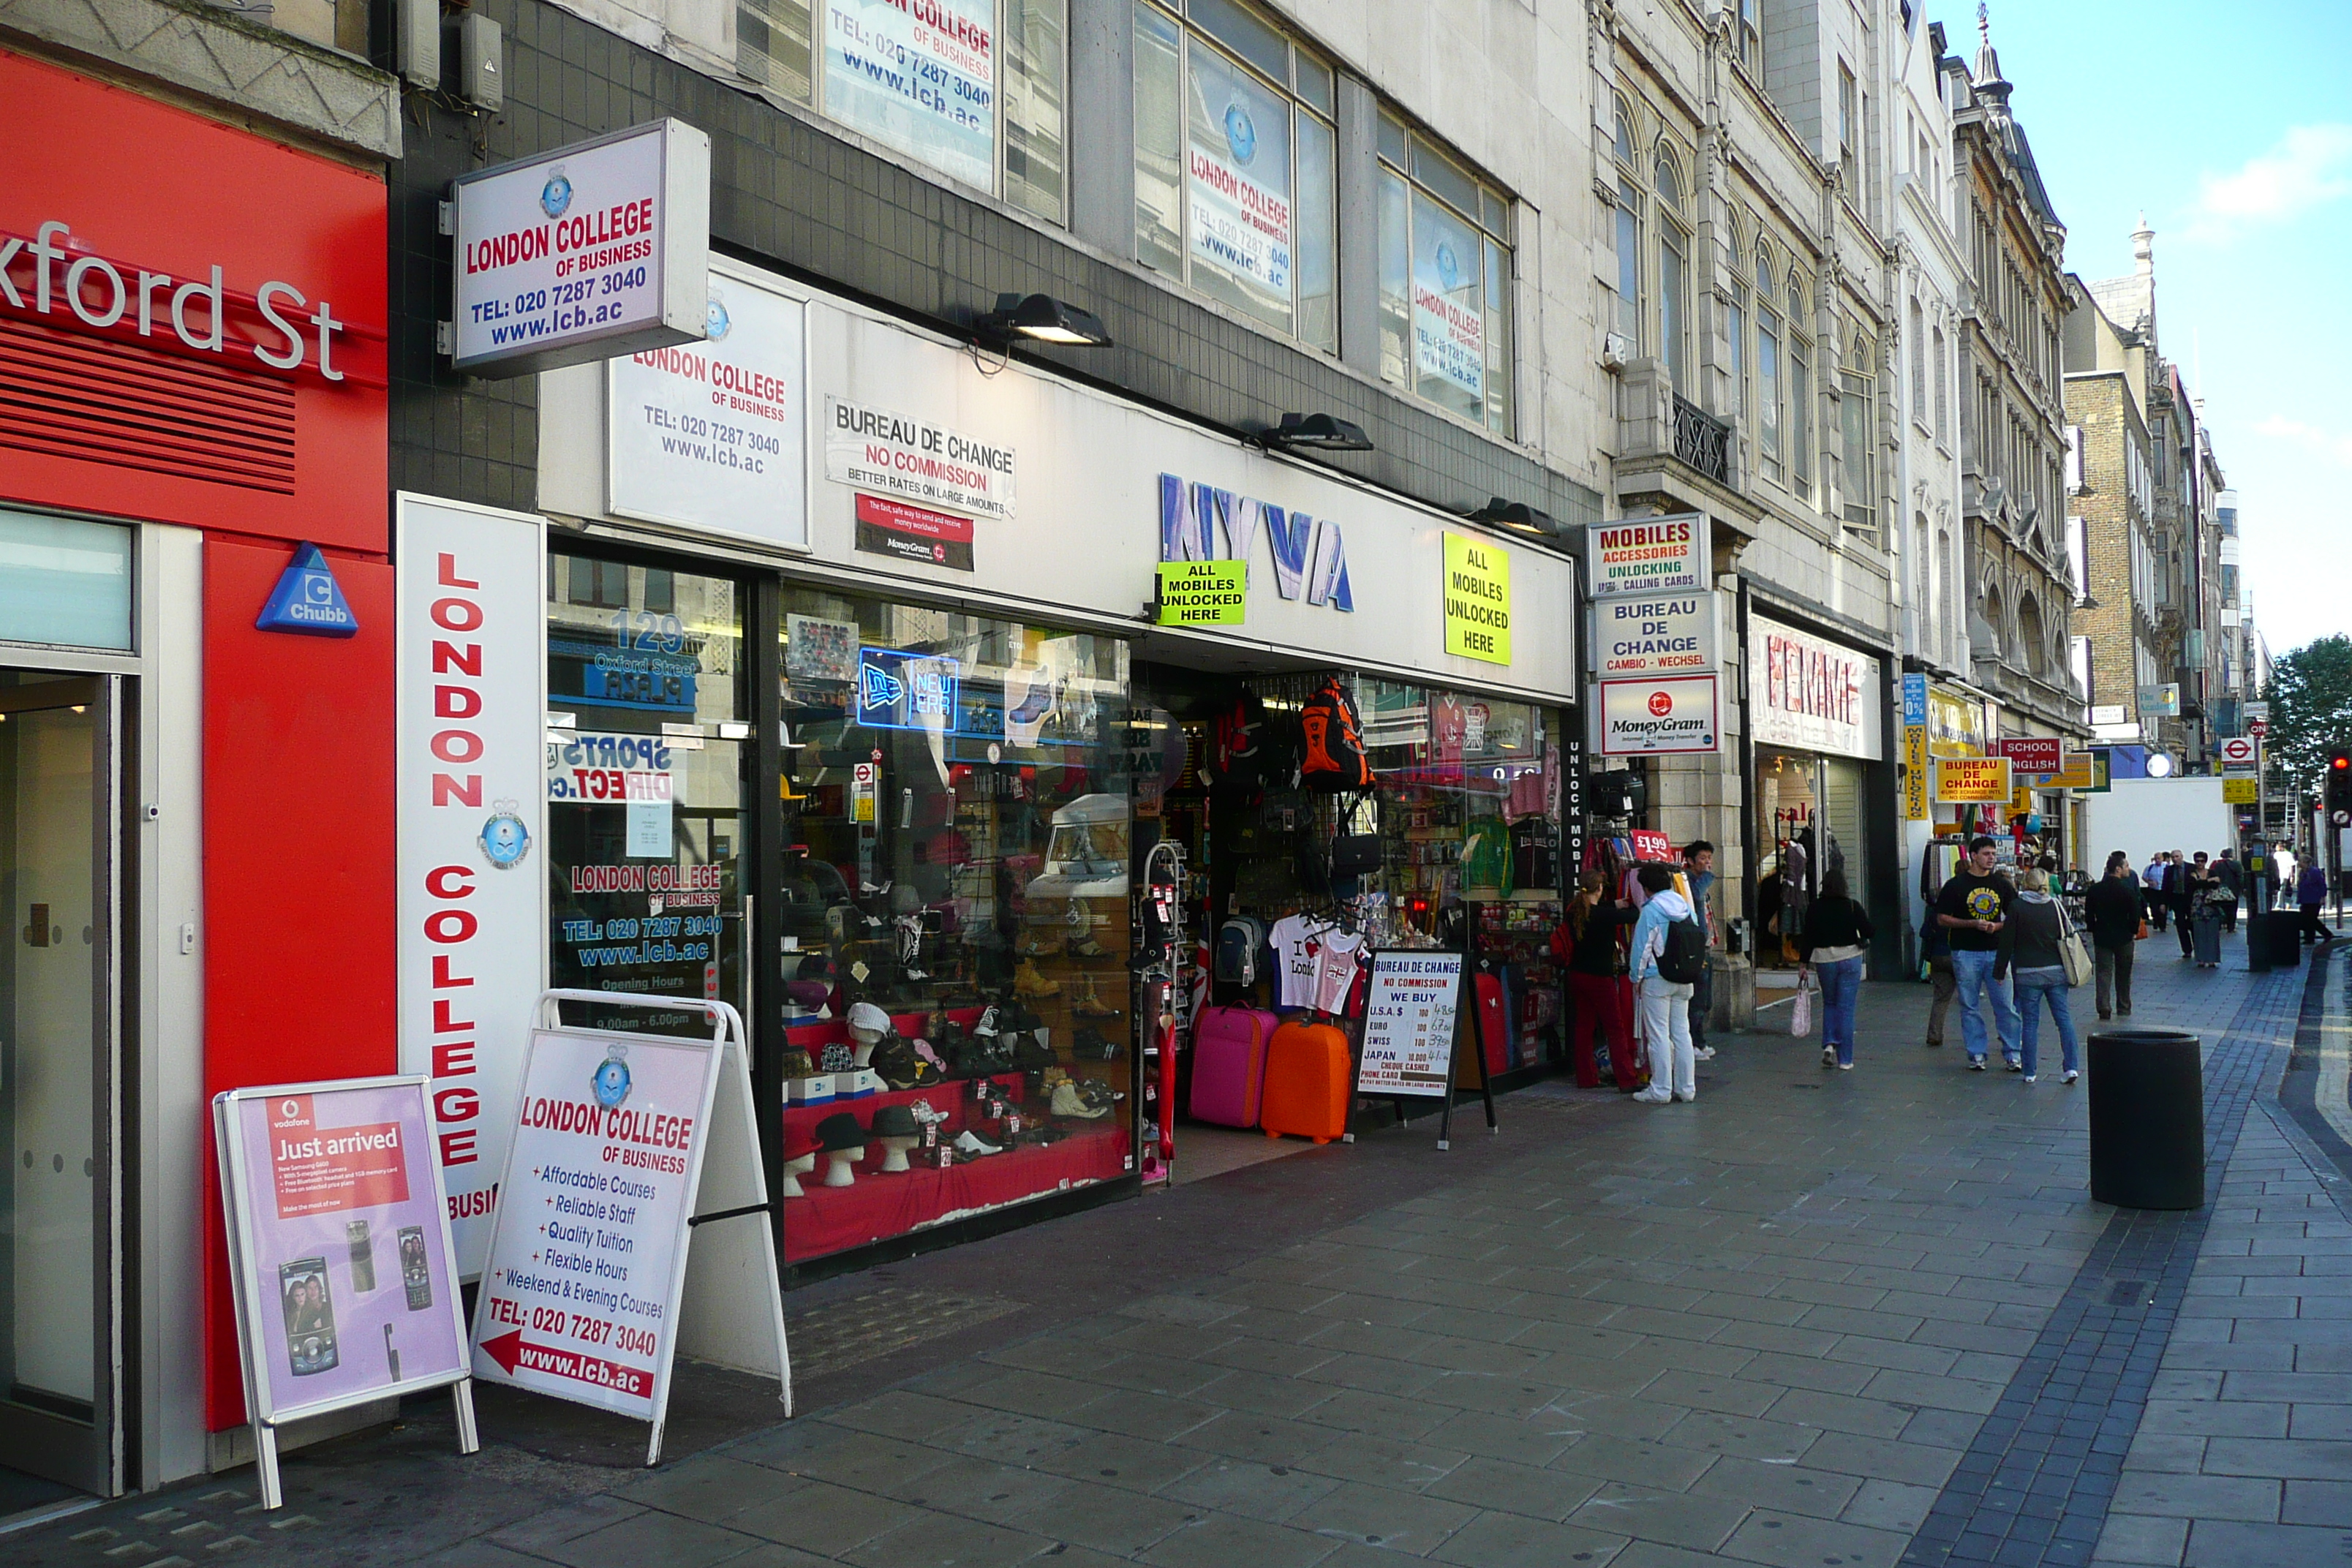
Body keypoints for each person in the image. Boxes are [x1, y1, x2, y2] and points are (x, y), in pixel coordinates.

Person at [1934, 835, 2022, 1072]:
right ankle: (1977, 1053)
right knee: (1969, 1005)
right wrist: (1971, 923)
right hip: (1966, 952)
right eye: (1986, 854)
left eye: (1993, 854)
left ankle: (2013, 1053)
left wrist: (1997, 926)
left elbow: (2016, 917)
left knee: (2005, 1004)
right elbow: (1942, 918)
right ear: (1973, 855)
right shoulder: (1955, 885)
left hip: (1996, 952)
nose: (1991, 858)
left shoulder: (2002, 885)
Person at [1555, 869, 1639, 1088]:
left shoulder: (1574, 911)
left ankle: (1586, 1077)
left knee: (1584, 1026)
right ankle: (1627, 1079)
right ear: (1600, 889)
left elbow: (1596, 910)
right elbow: (1632, 916)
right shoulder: (1603, 915)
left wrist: (1614, 904)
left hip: (1577, 974)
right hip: (1600, 979)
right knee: (1615, 1028)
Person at [1628, 862, 1697, 1105]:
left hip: (1657, 979)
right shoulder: (1685, 905)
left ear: (1647, 889)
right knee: (1682, 1033)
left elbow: (1641, 948)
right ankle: (1687, 1088)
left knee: (1658, 1035)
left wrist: (1635, 979)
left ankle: (1660, 1089)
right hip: (1685, 978)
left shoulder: (1651, 910)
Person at [2008, 868, 2081, 1085]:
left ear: (2026, 883)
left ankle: (2030, 1072)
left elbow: (2007, 941)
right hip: (2056, 972)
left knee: (2030, 1022)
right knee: (2064, 1019)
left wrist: (1999, 970)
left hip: (2027, 973)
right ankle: (2071, 1067)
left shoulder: (2017, 907)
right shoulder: (2055, 905)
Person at [1798, 867, 1874, 1069]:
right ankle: (1846, 1060)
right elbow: (1870, 930)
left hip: (1824, 960)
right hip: (1850, 958)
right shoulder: (1851, 906)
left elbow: (1808, 938)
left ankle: (1830, 1043)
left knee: (1830, 1002)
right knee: (1846, 1008)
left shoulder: (1815, 907)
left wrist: (1803, 964)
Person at [2086, 851, 2143, 1020]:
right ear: (2118, 869)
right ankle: (2123, 1006)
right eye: (2126, 866)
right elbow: (2135, 915)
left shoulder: (2095, 889)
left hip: (2102, 936)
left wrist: (2093, 928)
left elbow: (2089, 914)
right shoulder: (2127, 891)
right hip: (2124, 937)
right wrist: (2132, 931)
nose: (2128, 869)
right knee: (2124, 973)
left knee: (2103, 972)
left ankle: (2104, 1006)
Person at [1683, 841, 1717, 1060]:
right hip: (1695, 949)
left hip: (1706, 945)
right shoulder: (1688, 881)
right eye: (1702, 858)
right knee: (1697, 999)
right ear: (1691, 861)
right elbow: (1695, 896)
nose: (1707, 862)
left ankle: (1700, 1041)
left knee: (1705, 1000)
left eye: (1709, 857)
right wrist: (1707, 876)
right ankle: (1695, 1043)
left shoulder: (1700, 882)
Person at [1922, 894, 1957, 1049]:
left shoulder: (1934, 912)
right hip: (1958, 955)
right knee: (1970, 1000)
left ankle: (1934, 1034)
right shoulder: (1960, 911)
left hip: (1937, 955)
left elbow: (1924, 933)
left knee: (1941, 998)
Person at [2189, 854, 2225, 967]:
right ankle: (2200, 959)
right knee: (2199, 934)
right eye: (2197, 861)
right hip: (2197, 908)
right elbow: (2194, 885)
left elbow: (2215, 884)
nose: (2200, 863)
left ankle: (2212, 960)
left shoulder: (2212, 872)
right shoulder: (2192, 873)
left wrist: (2204, 882)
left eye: (2202, 861)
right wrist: (2209, 881)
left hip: (2211, 907)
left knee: (2212, 934)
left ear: (2206, 862)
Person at [2171, 851, 2198, 960]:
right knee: (2180, 925)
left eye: (2177, 856)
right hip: (2177, 900)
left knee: (2193, 924)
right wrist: (2164, 903)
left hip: (2190, 900)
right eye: (2173, 857)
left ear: (2182, 857)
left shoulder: (2191, 868)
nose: (2175, 859)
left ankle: (2197, 947)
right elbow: (2166, 886)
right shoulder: (2169, 870)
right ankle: (2187, 950)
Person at [2300, 861, 2334, 946]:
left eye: (2301, 861)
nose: (2299, 863)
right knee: (2308, 919)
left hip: (2314, 898)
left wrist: (2322, 897)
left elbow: (2322, 884)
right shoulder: (2303, 872)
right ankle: (2311, 937)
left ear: (2306, 862)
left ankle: (2316, 936)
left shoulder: (2314, 872)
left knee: (2311, 919)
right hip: (2305, 899)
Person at [2212, 850, 2244, 933]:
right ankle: (2231, 927)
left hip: (2221, 889)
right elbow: (2240, 877)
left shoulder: (2217, 865)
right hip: (2234, 889)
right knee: (2233, 909)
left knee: (2222, 907)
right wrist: (2242, 888)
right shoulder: (2237, 864)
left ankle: (2222, 923)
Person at [2143, 853, 2170, 932]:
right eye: (2156, 859)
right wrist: (2149, 882)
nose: (2157, 860)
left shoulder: (2166, 867)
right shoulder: (2150, 868)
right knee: (2154, 907)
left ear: (2162, 859)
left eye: (2159, 858)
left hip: (2163, 890)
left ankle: (2163, 925)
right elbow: (2144, 877)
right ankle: (2156, 921)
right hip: (2153, 890)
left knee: (2163, 908)